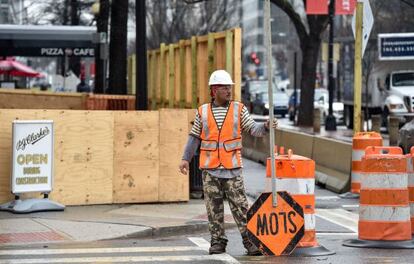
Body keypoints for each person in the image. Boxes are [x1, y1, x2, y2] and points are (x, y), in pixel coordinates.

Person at [179, 70, 277, 255]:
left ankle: (250, 242)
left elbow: (253, 129)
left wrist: (264, 127)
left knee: (241, 208)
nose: (229, 90)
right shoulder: (203, 111)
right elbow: (194, 137)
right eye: (224, 87)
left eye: (229, 87)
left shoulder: (239, 109)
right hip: (210, 170)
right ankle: (217, 242)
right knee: (213, 209)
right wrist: (185, 158)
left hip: (232, 169)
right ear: (214, 90)